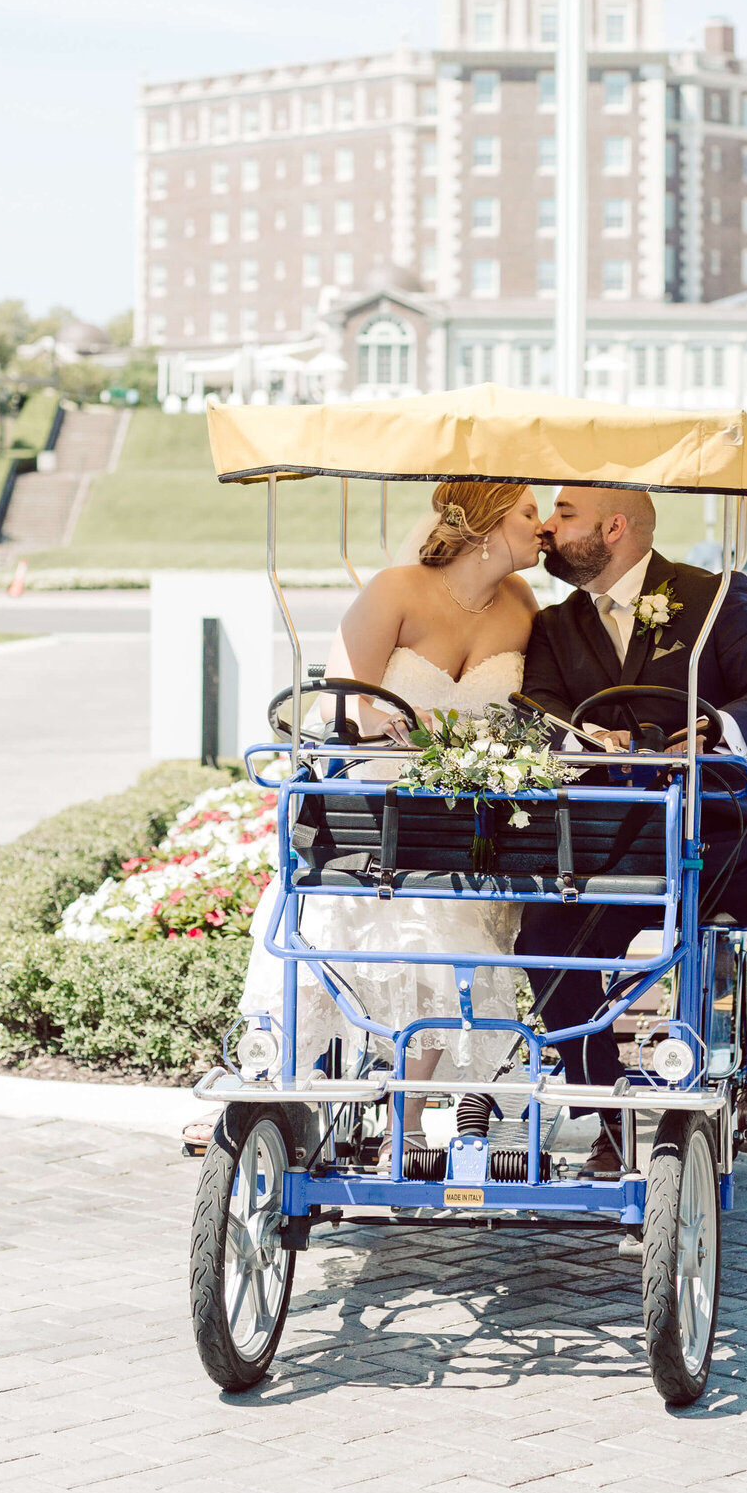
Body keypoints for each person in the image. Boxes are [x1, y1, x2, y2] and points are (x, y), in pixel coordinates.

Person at [514, 484, 747, 1176]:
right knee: (544, 934)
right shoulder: (553, 628)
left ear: (613, 528)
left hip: (726, 826)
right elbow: (537, 710)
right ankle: (605, 1111)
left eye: (564, 514)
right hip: (614, 844)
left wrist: (720, 732)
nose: (548, 529)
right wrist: (581, 738)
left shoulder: (713, 596)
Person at [241, 478, 543, 1167]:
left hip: (467, 813)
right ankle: (271, 1083)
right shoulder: (395, 591)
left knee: (453, 929)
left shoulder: (523, 605)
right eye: (530, 512)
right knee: (353, 918)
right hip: (378, 801)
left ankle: (405, 1120)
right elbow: (333, 706)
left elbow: (531, 708)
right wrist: (378, 721)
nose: (543, 526)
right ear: (489, 526)